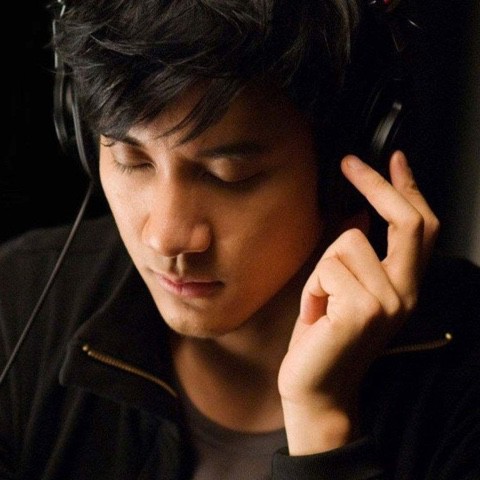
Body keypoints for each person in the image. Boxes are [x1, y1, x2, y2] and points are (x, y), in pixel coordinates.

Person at [0, 0, 479, 478]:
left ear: (346, 169)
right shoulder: (18, 301)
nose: (166, 239)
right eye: (132, 161)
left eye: (228, 176)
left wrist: (323, 426)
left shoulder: (467, 375)